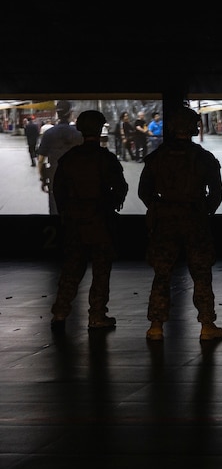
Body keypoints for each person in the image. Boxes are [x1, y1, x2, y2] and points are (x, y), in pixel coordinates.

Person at [139, 106, 222, 341]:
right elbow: (216, 192)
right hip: (195, 220)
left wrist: (158, 208)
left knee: (162, 273)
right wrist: (204, 210)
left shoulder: (157, 157)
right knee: (201, 273)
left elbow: (144, 191)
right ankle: (207, 326)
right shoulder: (204, 158)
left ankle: (156, 326)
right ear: (192, 128)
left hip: (165, 221)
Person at [48, 110, 129, 330]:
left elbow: (59, 189)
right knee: (101, 271)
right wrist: (110, 203)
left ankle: (60, 313)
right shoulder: (106, 158)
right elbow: (121, 187)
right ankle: (97, 316)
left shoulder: (70, 158)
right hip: (100, 221)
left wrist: (66, 211)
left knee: (72, 268)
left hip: (74, 221)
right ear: (100, 128)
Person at [37, 101, 85, 215]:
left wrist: (43, 179)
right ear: (71, 113)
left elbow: (40, 160)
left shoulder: (49, 133)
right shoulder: (79, 134)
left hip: (55, 177)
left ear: (57, 114)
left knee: (55, 210)